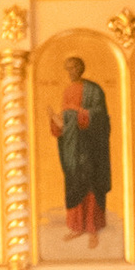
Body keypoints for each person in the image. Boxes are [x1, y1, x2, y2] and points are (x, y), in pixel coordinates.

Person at [52, 52, 112, 244]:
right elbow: (67, 120)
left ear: (82, 68)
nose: (71, 72)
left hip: (91, 146)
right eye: (68, 69)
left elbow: (100, 115)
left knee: (91, 183)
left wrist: (79, 112)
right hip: (73, 147)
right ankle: (77, 227)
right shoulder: (68, 90)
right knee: (74, 181)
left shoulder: (93, 89)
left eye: (74, 67)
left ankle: (93, 228)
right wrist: (57, 122)